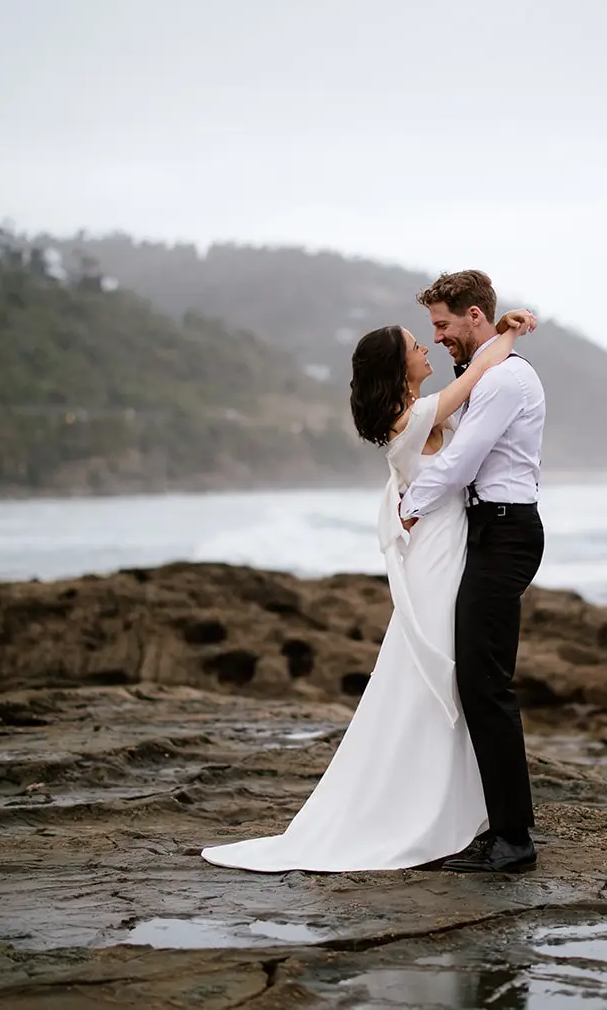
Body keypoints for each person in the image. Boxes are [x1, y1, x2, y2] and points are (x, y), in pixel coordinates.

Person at [198, 292, 537, 873]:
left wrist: (505, 329)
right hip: (439, 554)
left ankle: (467, 814)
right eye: (414, 344)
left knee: (453, 678)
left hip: (455, 546)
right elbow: (478, 376)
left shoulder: (418, 412)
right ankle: (444, 814)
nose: (426, 345)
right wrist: (505, 333)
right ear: (397, 367)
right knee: (443, 674)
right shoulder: (415, 418)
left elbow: (480, 372)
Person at [399, 270, 546, 874]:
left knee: (486, 684)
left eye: (442, 325)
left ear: (474, 317)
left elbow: (460, 461)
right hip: (488, 530)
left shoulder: (505, 379)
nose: (436, 339)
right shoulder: (490, 368)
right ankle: (496, 825)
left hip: (507, 532)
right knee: (479, 681)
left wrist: (409, 505)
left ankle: (514, 840)